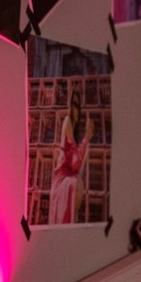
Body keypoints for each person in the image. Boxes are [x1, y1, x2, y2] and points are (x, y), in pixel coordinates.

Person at [50, 96, 90, 224]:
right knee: (78, 184)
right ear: (70, 106)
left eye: (78, 107)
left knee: (79, 183)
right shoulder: (67, 121)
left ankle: (71, 219)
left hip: (68, 172)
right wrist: (87, 137)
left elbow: (76, 162)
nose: (76, 110)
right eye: (74, 105)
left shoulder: (73, 129)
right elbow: (75, 160)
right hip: (62, 174)